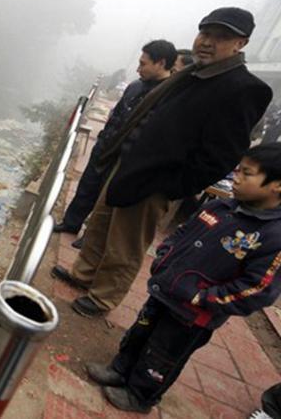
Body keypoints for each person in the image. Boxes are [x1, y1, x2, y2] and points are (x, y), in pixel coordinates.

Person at [52, 7, 274, 317]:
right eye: (205, 34)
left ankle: (103, 298)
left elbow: (222, 155)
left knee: (124, 244)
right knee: (101, 224)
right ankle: (83, 274)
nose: (207, 42)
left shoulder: (243, 87)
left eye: (220, 37)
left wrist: (171, 187)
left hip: (157, 181)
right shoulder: (190, 73)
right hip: (129, 164)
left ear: (241, 44)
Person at [84, 143, 281, 413]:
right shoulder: (222, 206)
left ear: (276, 186)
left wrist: (204, 298)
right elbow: (182, 232)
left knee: (163, 355)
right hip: (167, 291)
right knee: (140, 332)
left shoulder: (272, 236)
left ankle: (140, 395)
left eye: (247, 173)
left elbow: (257, 289)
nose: (236, 176)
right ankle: (120, 369)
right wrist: (164, 257)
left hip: (194, 313)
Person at [53, 40, 177, 238]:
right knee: (88, 186)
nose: (138, 69)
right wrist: (103, 139)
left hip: (127, 157)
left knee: (107, 198)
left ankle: (89, 238)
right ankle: (71, 223)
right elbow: (117, 115)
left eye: (143, 64)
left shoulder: (169, 96)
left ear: (161, 63)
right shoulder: (135, 87)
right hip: (107, 146)